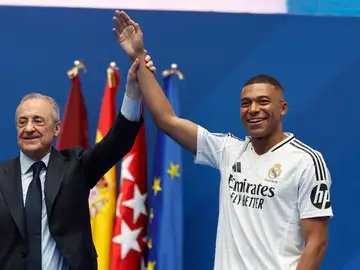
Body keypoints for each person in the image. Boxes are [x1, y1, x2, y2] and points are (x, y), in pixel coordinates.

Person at [112, 10, 333, 270]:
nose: (253, 109)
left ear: (282, 108)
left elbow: (317, 242)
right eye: (245, 103)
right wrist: (138, 55)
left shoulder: (306, 161)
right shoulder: (229, 150)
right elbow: (167, 120)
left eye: (263, 102)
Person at [0, 55, 156, 270]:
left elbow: (117, 143)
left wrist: (133, 91)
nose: (28, 128)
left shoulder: (75, 166)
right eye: (22, 122)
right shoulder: (2, 176)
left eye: (38, 121)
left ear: (56, 129)